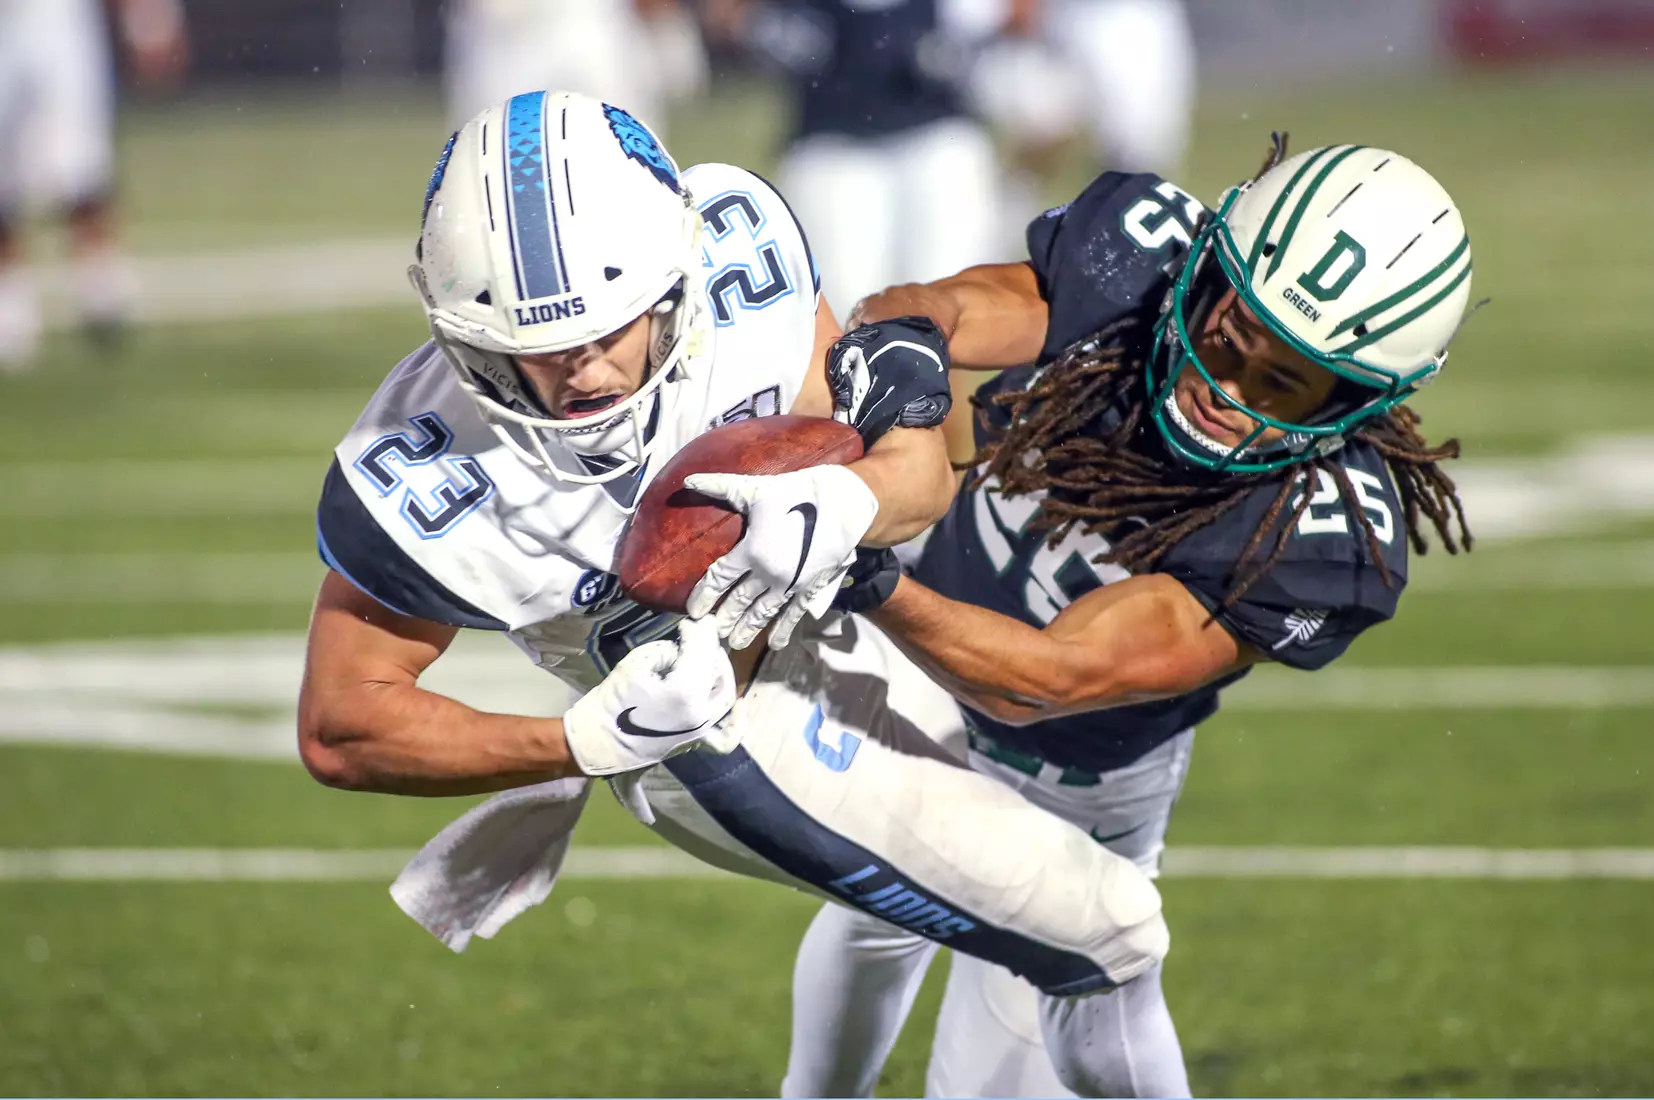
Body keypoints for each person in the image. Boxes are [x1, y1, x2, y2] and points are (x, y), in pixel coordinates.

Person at [299, 90, 1190, 1098]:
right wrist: (578, 740)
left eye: (607, 326)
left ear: (673, 277)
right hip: (704, 722)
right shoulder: (422, 469)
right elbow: (342, 723)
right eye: (533, 349)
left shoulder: (737, 253)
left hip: (833, 604)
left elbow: (920, 471)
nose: (579, 369)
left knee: (913, 896)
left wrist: (842, 503)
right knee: (1109, 927)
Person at [783, 138, 1478, 1097]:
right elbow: (932, 312)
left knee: (1000, 1062)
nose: (1225, 389)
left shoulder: (1322, 533)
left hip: (1074, 786)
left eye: (1283, 381)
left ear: (1356, 402)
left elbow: (1045, 681)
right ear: (1208, 274)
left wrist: (866, 574)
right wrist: (905, 362)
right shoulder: (1139, 265)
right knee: (868, 910)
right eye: (1234, 335)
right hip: (918, 696)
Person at [702, 0, 1004, 319]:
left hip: (934, 133)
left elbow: (1009, 19)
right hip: (833, 139)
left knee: (949, 297)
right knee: (848, 304)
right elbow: (725, 18)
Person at [0, 0, 188, 370]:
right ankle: (10, 301)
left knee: (80, 162)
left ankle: (100, 287)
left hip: (55, 16)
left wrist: (149, 21)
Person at [442, 0, 705, 135]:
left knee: (627, 137)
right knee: (489, 145)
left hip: (590, 23)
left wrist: (664, 24)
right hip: (509, 32)